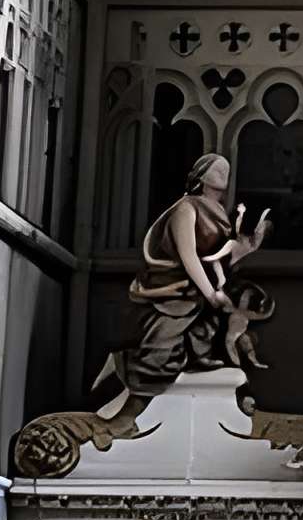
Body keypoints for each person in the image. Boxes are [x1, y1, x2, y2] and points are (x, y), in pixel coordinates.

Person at [94, 154, 273, 411]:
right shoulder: (185, 209)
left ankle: (200, 358)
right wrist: (211, 294)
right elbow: (189, 257)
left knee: (213, 326)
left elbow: (219, 259)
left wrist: (250, 248)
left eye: (227, 170)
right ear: (200, 176)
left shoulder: (221, 214)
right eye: (216, 168)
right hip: (173, 289)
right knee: (160, 356)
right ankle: (123, 380)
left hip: (199, 290)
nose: (224, 172)